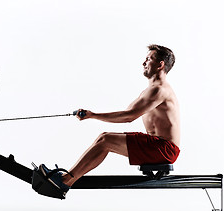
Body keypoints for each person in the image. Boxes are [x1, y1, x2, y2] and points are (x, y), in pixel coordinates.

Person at [39, 44, 180, 195]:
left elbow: (128, 117)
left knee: (106, 140)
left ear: (160, 65)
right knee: (103, 138)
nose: (143, 63)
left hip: (164, 149)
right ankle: (66, 178)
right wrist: (91, 114)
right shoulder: (150, 90)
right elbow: (126, 113)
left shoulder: (159, 90)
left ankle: (65, 181)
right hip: (156, 145)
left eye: (148, 59)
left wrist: (93, 115)